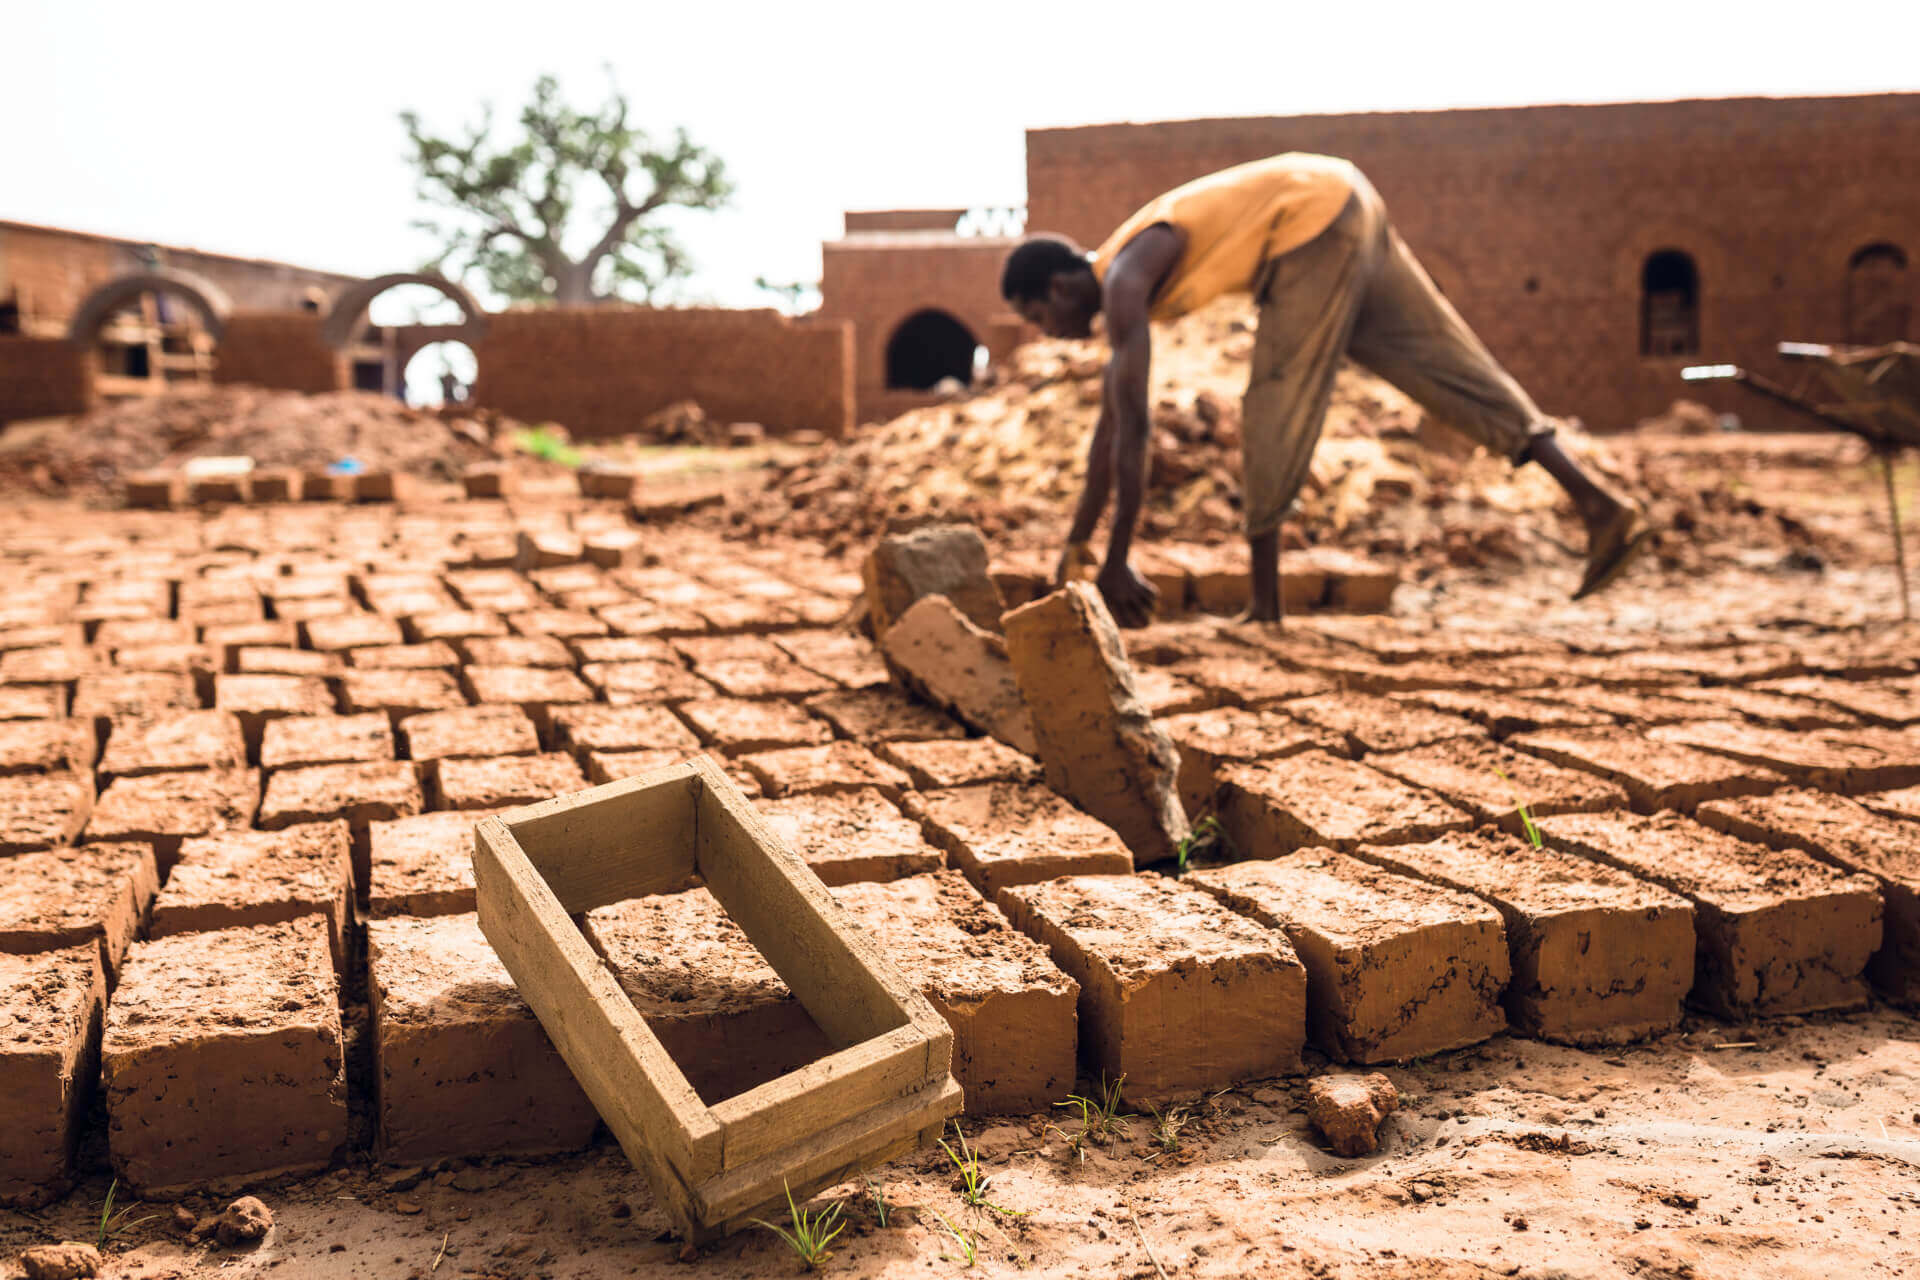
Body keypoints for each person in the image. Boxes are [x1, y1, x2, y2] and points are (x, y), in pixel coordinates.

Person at [1000, 152, 1651, 627]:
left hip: (1310, 226)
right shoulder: (1131, 266)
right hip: (1349, 200)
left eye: (1036, 318)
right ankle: (1598, 504)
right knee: (1444, 365)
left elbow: (1133, 428)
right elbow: (1109, 430)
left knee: (1275, 400)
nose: (1047, 334)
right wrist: (1078, 548)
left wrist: (1117, 561)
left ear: (1057, 289)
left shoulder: (1123, 280)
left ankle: (1265, 606)